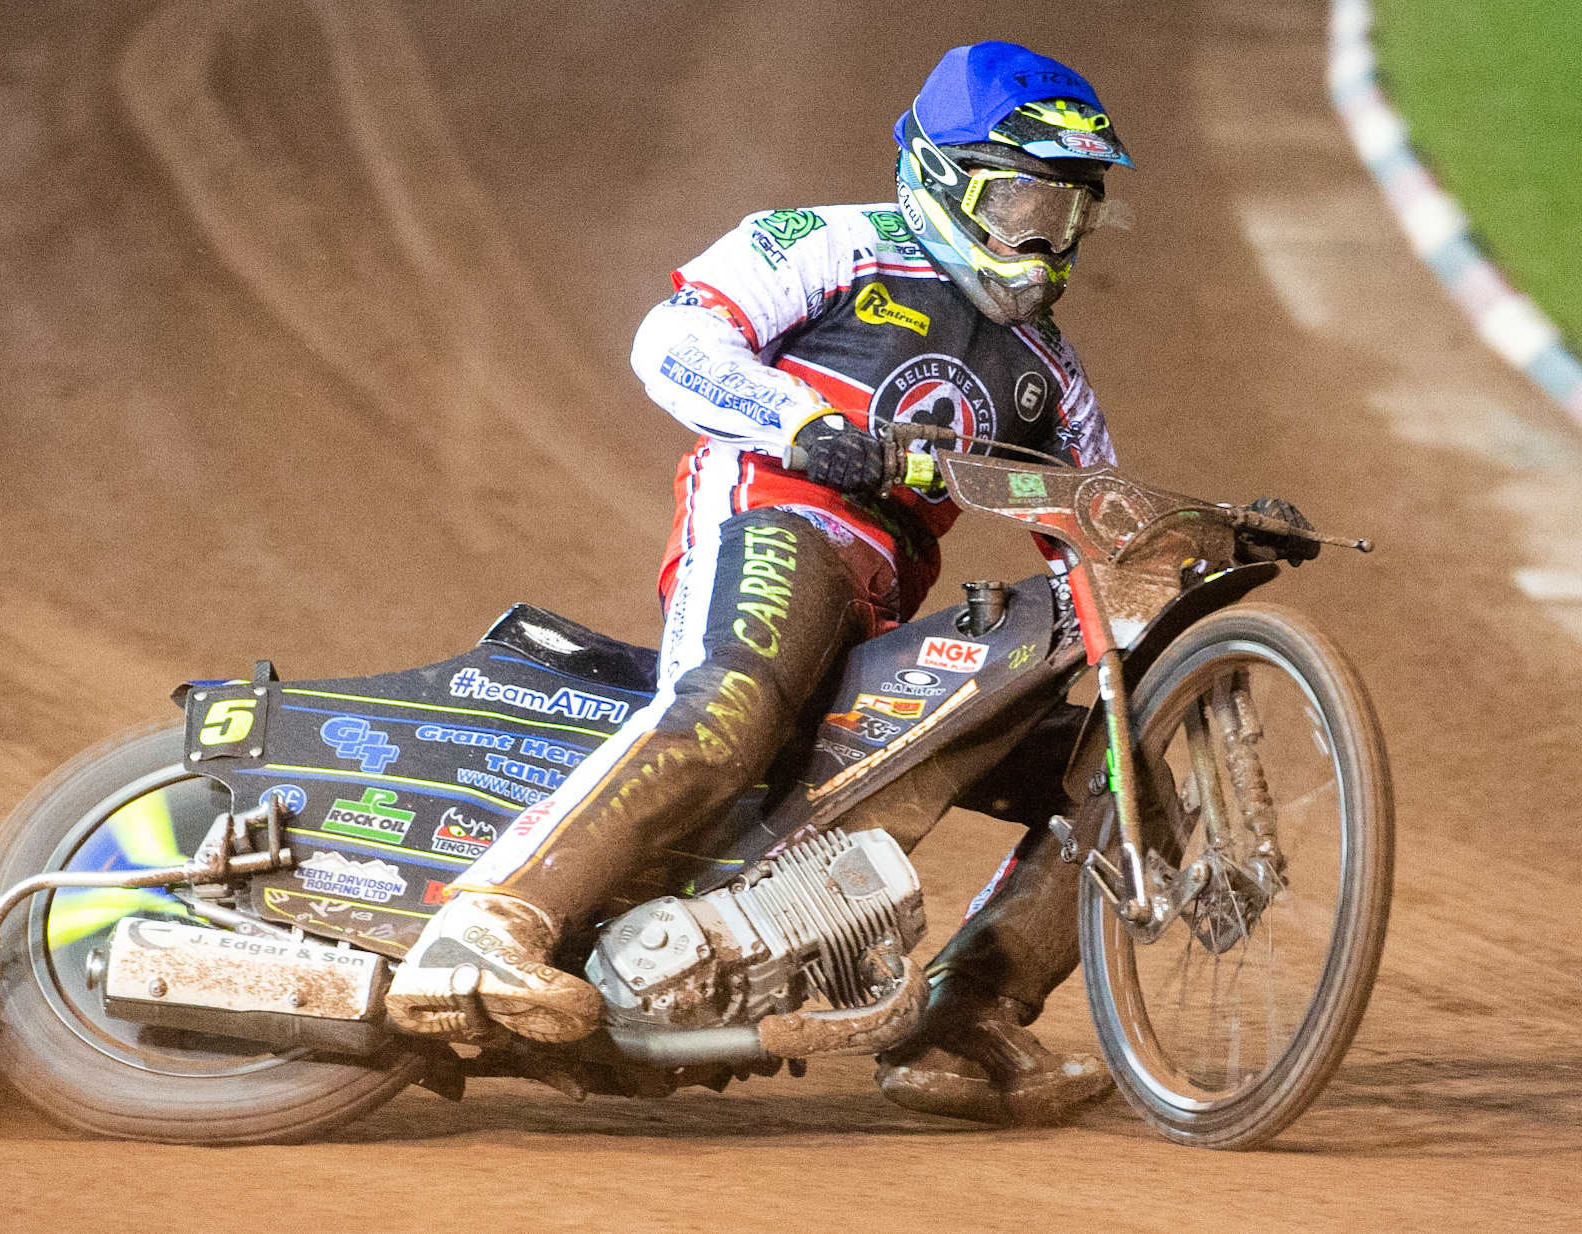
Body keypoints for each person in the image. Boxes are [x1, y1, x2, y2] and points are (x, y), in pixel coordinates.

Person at [385, 41, 1141, 1125]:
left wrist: (1198, 545)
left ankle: (961, 1023)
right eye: (1019, 200)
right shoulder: (833, 244)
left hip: (877, 608)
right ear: (940, 175)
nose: (1040, 239)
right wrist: (803, 424)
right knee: (728, 710)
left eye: (1066, 213)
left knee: (1111, 767)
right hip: (775, 525)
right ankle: (485, 926)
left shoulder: (1051, 374)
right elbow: (671, 340)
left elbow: (1094, 527)